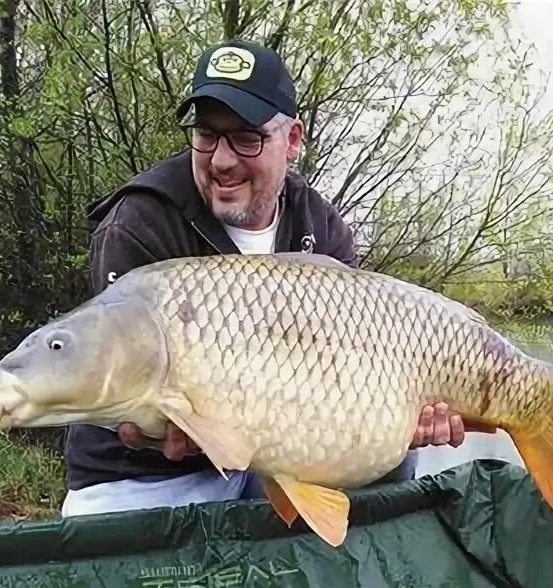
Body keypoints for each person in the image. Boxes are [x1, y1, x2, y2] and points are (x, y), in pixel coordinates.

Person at [60, 39, 472, 517]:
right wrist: (159, 433)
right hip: (141, 479)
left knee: (397, 457)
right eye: (207, 135)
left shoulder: (320, 227)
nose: (221, 159)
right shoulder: (140, 222)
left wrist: (398, 421)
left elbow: (345, 385)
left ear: (293, 140)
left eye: (246, 138)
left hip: (268, 461)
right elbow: (117, 405)